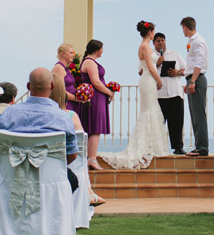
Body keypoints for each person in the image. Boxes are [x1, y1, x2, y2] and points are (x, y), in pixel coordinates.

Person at [100, 21, 169, 170]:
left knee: (150, 109)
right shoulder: (145, 46)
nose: (154, 34)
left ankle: (152, 145)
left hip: (147, 80)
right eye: (153, 32)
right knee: (149, 110)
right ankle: (147, 146)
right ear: (149, 32)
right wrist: (159, 80)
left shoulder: (145, 47)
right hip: (148, 80)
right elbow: (151, 67)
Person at [0, 68, 78, 165]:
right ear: (52, 86)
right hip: (52, 178)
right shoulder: (63, 117)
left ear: (28, 86)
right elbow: (72, 154)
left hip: (14, 178)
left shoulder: (9, 113)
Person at [50, 72, 105, 205]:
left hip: (44, 165)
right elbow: (78, 148)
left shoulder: (39, 117)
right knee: (79, 161)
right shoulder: (71, 116)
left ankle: (90, 192)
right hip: (69, 164)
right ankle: (89, 192)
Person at [78, 39, 114, 170]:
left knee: (94, 127)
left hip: (96, 97)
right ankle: (91, 159)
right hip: (95, 97)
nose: (103, 51)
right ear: (97, 49)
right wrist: (109, 92)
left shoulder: (89, 62)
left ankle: (89, 157)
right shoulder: (89, 62)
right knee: (95, 127)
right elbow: (96, 82)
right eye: (102, 49)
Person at [153, 31, 186, 155]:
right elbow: (143, 70)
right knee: (158, 123)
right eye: (158, 41)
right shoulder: (151, 56)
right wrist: (157, 64)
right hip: (159, 94)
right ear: (154, 43)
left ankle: (178, 146)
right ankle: (158, 148)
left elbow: (186, 69)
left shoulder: (174, 54)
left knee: (176, 122)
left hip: (175, 93)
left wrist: (177, 72)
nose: (161, 43)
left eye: (163, 40)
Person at [181, 16, 209, 157]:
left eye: (183, 28)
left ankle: (202, 147)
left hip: (197, 79)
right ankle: (199, 145)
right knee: (194, 114)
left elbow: (199, 62)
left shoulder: (198, 41)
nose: (183, 31)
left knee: (199, 115)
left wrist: (192, 81)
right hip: (192, 78)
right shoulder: (192, 41)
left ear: (185, 27)